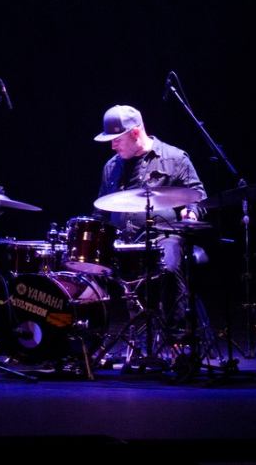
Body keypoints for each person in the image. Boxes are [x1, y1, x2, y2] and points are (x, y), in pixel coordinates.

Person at [93, 105, 207, 340]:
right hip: (122, 240)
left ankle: (176, 338)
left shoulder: (174, 158)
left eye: (117, 139)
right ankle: (91, 340)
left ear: (135, 133)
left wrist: (191, 213)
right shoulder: (111, 167)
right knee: (87, 267)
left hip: (163, 236)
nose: (112, 145)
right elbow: (101, 210)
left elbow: (197, 195)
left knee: (170, 266)